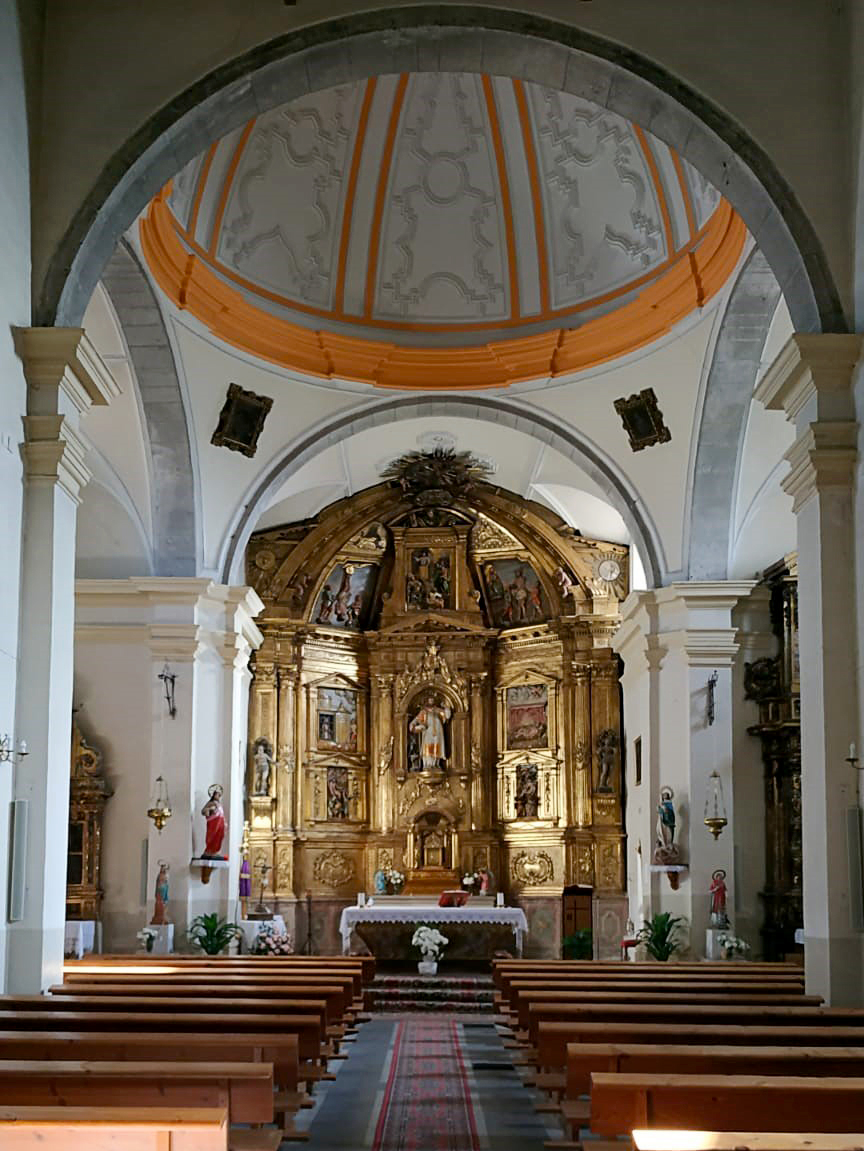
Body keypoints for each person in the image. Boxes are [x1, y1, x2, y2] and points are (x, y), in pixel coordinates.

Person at [410, 699, 452, 771]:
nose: (431, 701)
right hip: (428, 732)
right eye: (429, 700)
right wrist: (415, 726)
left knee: (437, 747)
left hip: (438, 733)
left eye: (432, 700)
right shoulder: (424, 712)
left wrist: (446, 707)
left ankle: (436, 764)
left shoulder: (439, 711)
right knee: (428, 747)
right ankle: (428, 764)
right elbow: (415, 721)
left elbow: (447, 716)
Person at [202, 783, 227, 858]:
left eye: (219, 795)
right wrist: (209, 810)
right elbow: (203, 811)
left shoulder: (219, 804)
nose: (218, 797)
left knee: (219, 836)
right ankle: (209, 851)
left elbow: (221, 814)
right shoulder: (211, 803)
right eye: (217, 795)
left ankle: (215, 851)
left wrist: (225, 823)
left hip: (220, 822)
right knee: (212, 836)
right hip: (213, 822)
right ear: (213, 795)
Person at [151, 861, 169, 926]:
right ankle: (159, 916)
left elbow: (166, 882)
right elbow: (158, 882)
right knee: (160, 902)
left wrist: (165, 882)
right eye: (162, 868)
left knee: (164, 902)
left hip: (164, 889)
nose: (163, 870)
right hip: (160, 890)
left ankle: (163, 916)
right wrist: (161, 882)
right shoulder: (160, 875)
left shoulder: (165, 875)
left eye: (164, 868)